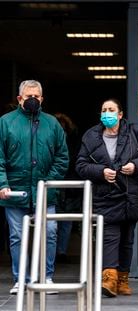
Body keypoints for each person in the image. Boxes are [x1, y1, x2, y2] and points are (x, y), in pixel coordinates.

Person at [76, 98, 138, 298]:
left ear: (120, 114)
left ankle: (123, 279)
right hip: (105, 196)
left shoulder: (134, 131)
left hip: (131, 194)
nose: (107, 113)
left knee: (127, 240)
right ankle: (109, 279)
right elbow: (80, 165)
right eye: (104, 110)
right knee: (109, 238)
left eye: (111, 110)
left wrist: (136, 166)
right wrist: (101, 171)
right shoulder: (91, 136)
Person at [0, 80, 69, 295]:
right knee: (17, 236)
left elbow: (62, 156)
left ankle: (46, 277)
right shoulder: (5, 122)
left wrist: (48, 181)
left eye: (36, 96)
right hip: (15, 191)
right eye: (28, 96)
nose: (33, 100)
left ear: (42, 99)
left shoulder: (52, 124)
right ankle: (21, 279)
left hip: (45, 190)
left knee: (49, 232)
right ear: (19, 99)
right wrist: (2, 183)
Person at [54, 112, 81, 264]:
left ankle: (61, 251)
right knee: (52, 222)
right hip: (56, 185)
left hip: (70, 186)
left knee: (67, 221)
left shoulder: (73, 143)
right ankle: (53, 252)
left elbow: (75, 162)